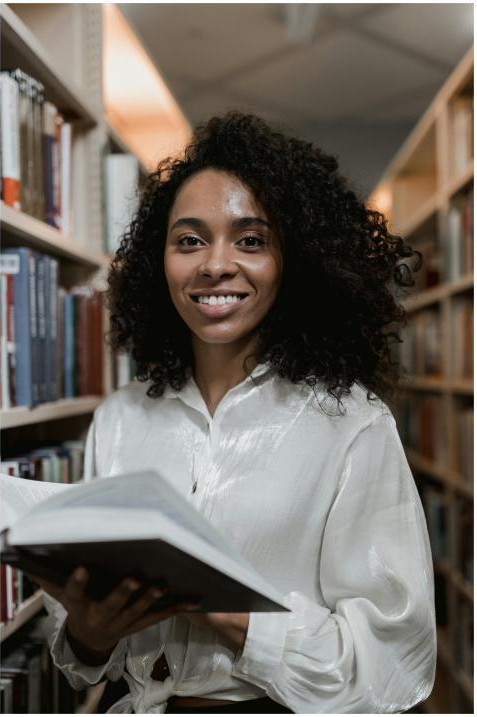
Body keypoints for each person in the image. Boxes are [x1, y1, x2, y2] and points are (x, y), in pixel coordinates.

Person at [37, 112, 436, 714]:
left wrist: (220, 605)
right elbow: (83, 660)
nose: (214, 264)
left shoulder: (354, 423)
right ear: (159, 262)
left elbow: (392, 661)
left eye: (250, 240)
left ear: (292, 261)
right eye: (189, 240)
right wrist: (91, 633)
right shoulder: (119, 418)